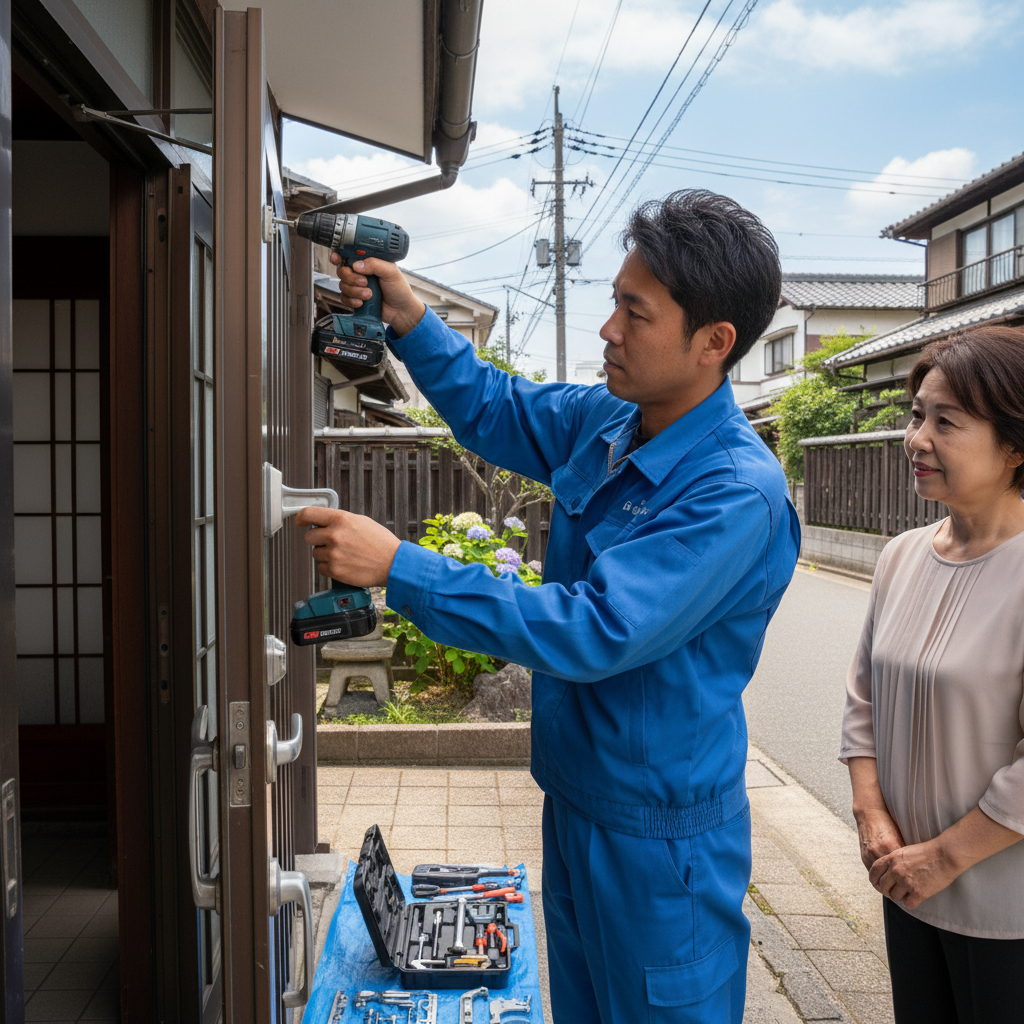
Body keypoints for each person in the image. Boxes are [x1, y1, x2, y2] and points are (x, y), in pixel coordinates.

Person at [299, 190, 800, 1022]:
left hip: (661, 843)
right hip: (578, 803)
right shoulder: (614, 420)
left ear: (714, 343)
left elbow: (594, 627)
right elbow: (495, 407)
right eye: (614, 302)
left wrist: (401, 567)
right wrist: (412, 318)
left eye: (634, 313)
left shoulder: (734, 493)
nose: (609, 330)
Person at [840, 325, 1024, 1024]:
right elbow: (864, 699)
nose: (917, 438)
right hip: (905, 882)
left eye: (947, 421)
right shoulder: (902, 555)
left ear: (1014, 446)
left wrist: (943, 857)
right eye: (917, 414)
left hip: (1006, 902)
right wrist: (870, 814)